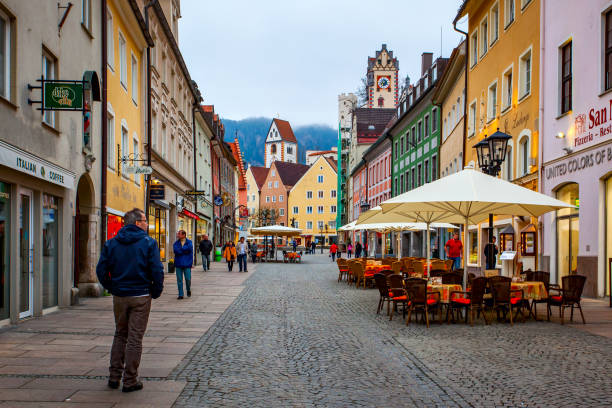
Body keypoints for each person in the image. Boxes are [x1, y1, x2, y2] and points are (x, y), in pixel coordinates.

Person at [96, 208, 163, 393]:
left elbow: (101, 270)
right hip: (141, 294)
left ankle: (114, 376)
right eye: (145, 220)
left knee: (120, 334)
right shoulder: (149, 243)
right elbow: (156, 270)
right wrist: (156, 291)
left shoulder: (111, 243)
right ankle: (130, 380)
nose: (147, 224)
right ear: (137, 223)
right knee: (134, 338)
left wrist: (111, 287)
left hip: (120, 296)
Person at [173, 230, 193, 300]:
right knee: (179, 280)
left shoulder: (189, 242)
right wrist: (184, 250)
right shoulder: (176, 243)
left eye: (179, 234)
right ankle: (180, 294)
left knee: (188, 279)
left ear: (184, 235)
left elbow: (189, 249)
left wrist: (181, 250)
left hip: (187, 264)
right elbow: (176, 251)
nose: (177, 235)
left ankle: (188, 289)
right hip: (178, 264)